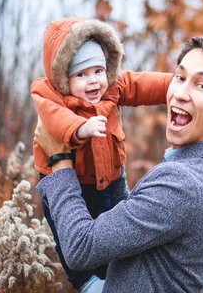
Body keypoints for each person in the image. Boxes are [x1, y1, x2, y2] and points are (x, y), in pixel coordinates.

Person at [35, 34, 203, 293]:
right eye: (180, 77)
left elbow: (80, 249)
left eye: (202, 86)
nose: (181, 94)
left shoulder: (183, 183)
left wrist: (60, 160)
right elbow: (134, 226)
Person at [30, 17, 173, 291]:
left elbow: (141, 83)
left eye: (98, 71)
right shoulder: (48, 93)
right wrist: (79, 128)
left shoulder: (112, 88)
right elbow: (53, 117)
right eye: (81, 75)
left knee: (120, 223)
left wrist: (176, 85)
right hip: (72, 185)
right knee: (70, 235)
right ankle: (86, 282)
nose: (93, 81)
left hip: (112, 178)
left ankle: (121, 273)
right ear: (63, 78)